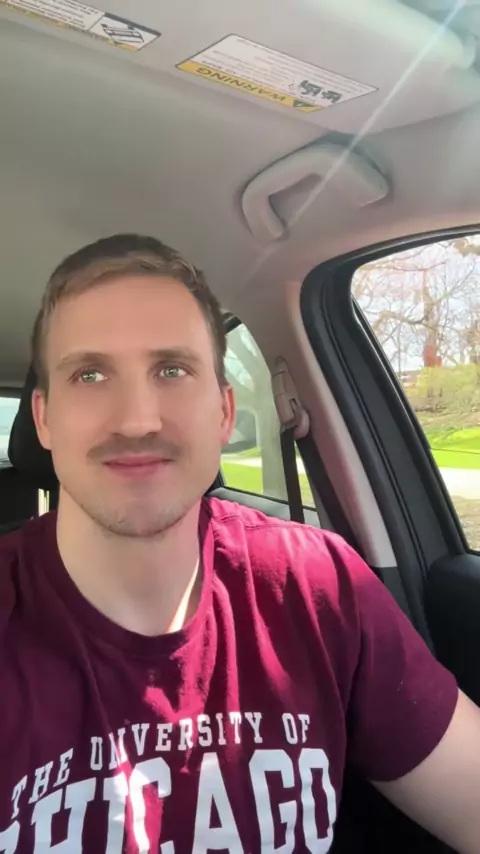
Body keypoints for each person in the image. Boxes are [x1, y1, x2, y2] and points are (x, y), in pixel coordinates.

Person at [0, 233, 479, 854]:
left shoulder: (319, 585)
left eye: (172, 370)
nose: (137, 419)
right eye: (89, 374)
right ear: (43, 419)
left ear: (225, 412)